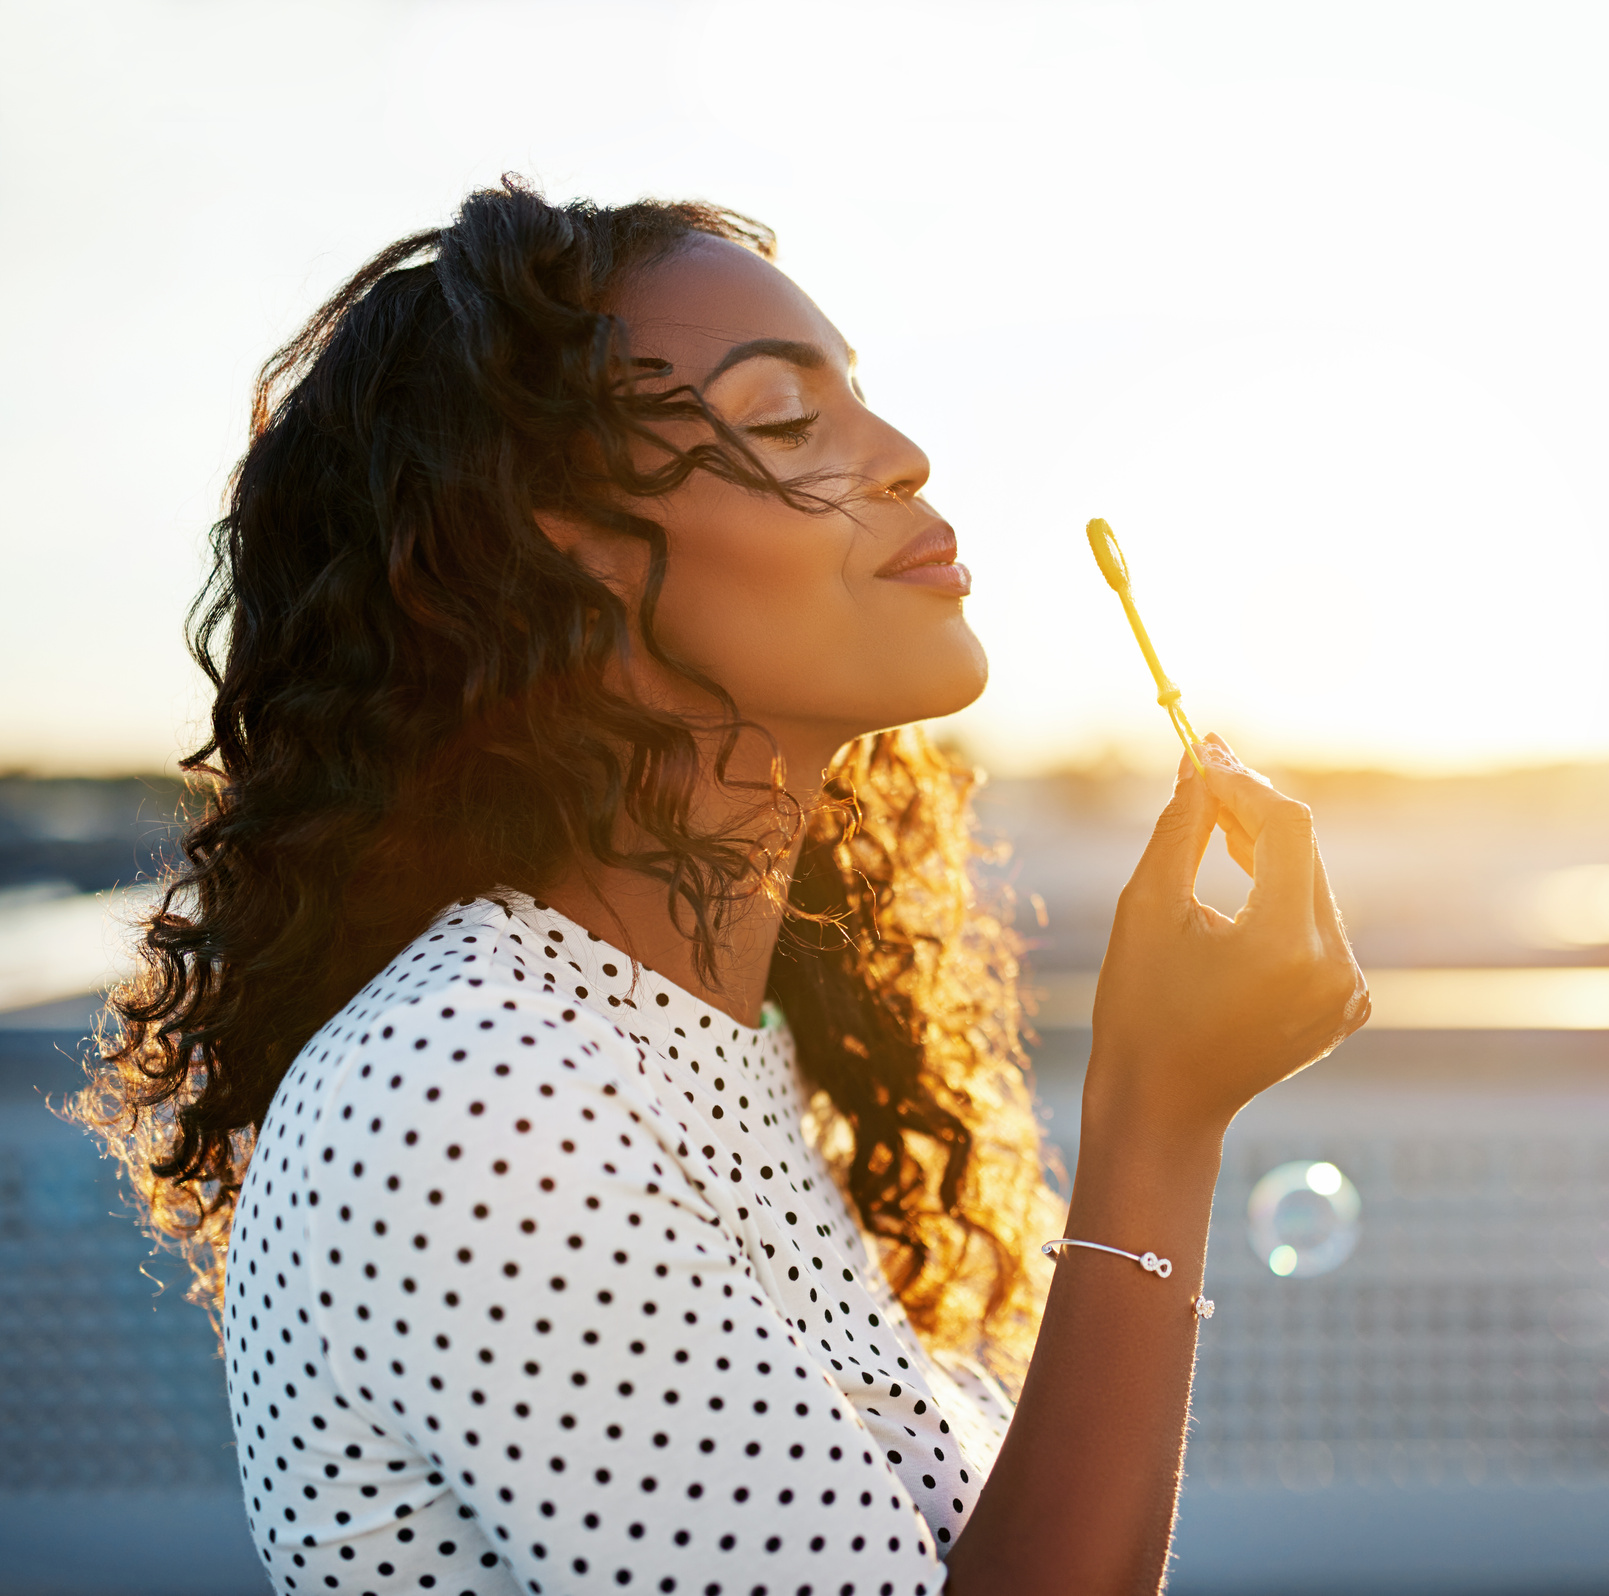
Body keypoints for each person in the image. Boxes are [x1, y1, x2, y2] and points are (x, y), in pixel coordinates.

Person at [78, 179, 1369, 1596]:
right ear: (557, 556)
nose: (905, 458)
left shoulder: (699, 1056)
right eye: (779, 420)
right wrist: (1155, 1120)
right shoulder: (475, 1094)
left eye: (861, 400)